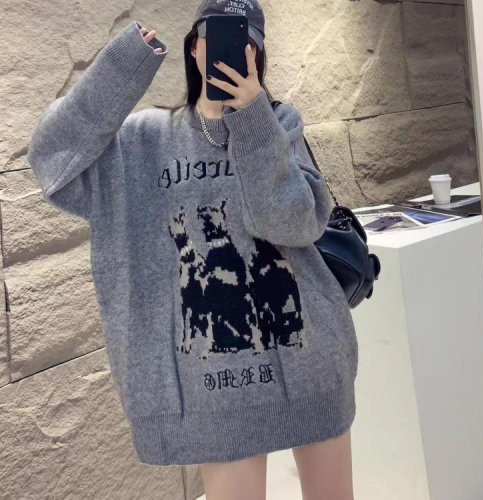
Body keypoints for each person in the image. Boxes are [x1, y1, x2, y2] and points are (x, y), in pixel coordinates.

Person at [27, 1, 358, 499]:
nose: (228, 49)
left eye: (245, 41)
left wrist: (253, 119)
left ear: (257, 56)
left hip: (308, 365)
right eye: (213, 36)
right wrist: (125, 62)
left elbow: (291, 223)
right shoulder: (143, 140)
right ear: (194, 48)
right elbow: (52, 159)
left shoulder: (280, 123)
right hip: (209, 389)